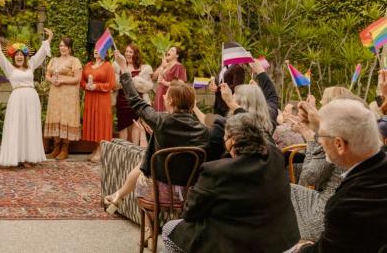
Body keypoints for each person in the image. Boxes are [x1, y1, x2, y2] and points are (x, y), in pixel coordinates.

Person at [162, 113, 300, 253]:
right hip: (283, 241)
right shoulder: (275, 155)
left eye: (225, 135)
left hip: (239, 244)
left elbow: (190, 213)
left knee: (169, 228)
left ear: (232, 140)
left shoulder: (216, 171)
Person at [104, 49, 208, 217]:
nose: (164, 96)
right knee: (154, 148)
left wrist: (124, 68)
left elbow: (135, 101)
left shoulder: (161, 121)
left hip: (161, 187)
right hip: (191, 189)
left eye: (166, 95)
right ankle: (119, 196)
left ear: (171, 101)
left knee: (146, 167)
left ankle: (149, 230)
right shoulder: (203, 131)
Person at [294, 99, 387, 252]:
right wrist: (321, 125)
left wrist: (301, 248)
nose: (320, 142)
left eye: (321, 138)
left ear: (339, 144)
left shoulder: (345, 205)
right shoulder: (378, 166)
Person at [289, 91, 370, 242]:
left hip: (325, 219)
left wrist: (313, 139)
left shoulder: (335, 142)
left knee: (282, 189)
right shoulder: (367, 145)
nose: (319, 107)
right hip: (352, 215)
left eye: (323, 103)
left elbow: (310, 177)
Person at [0, 29, 52, 167]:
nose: (19, 57)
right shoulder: (9, 67)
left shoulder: (31, 65)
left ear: (25, 57)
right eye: (16, 55)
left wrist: (50, 38)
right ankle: (16, 157)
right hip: (17, 99)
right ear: (13, 57)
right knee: (17, 126)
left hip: (31, 99)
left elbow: (41, 54)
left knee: (30, 126)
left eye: (21, 55)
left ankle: (28, 157)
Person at [43, 36, 83, 160]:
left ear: (69, 48)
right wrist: (52, 80)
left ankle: (65, 148)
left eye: (65, 46)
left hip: (69, 95)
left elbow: (78, 78)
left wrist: (62, 81)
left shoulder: (74, 61)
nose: (62, 48)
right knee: (56, 117)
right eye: (60, 45)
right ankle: (56, 147)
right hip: (55, 93)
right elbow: (47, 76)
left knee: (66, 118)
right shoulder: (54, 60)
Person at [114, 44, 153, 145]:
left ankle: (135, 150)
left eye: (130, 52)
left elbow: (146, 86)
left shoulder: (143, 68)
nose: (128, 54)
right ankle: (123, 152)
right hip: (122, 101)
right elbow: (115, 83)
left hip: (136, 101)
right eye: (126, 51)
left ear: (135, 54)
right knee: (122, 127)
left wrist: (133, 81)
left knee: (136, 126)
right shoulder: (119, 67)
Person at [81, 48, 116, 162]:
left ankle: (101, 150)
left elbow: (111, 84)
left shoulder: (108, 66)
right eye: (95, 49)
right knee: (94, 122)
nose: (96, 51)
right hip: (90, 98)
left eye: (100, 49)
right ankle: (96, 149)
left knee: (101, 122)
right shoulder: (88, 65)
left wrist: (97, 86)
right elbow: (82, 81)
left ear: (105, 52)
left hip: (102, 98)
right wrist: (85, 86)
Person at [151, 46, 187, 112]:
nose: (169, 51)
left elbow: (181, 84)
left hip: (169, 97)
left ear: (177, 55)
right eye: (169, 50)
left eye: (172, 50)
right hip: (159, 95)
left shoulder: (179, 67)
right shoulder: (164, 65)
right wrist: (162, 66)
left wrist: (166, 83)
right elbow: (153, 77)